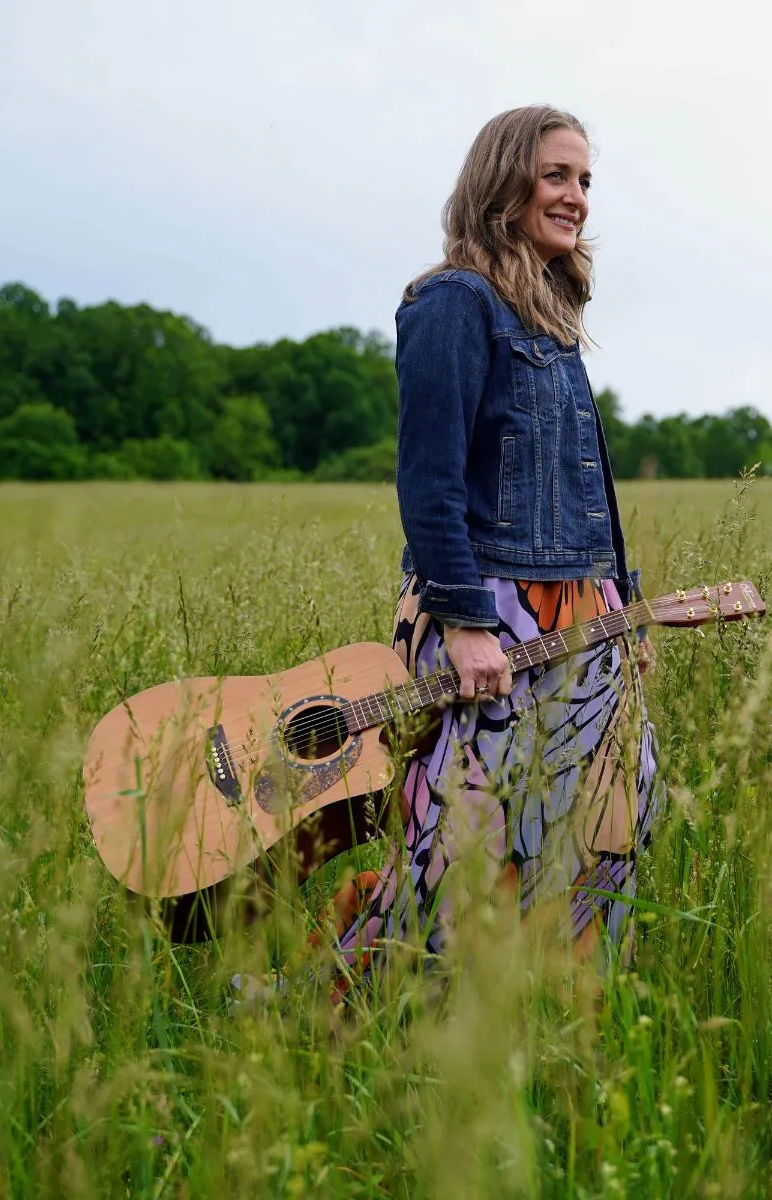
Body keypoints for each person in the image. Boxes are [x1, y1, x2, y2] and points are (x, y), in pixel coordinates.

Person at [233, 106, 665, 1010]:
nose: (577, 197)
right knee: (458, 843)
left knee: (611, 813)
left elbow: (593, 487)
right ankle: (324, 1006)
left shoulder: (550, 316)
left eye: (586, 181)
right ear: (503, 180)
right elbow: (428, 484)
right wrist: (468, 622)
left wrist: (623, 604)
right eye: (557, 175)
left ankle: (551, 1011)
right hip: (491, 612)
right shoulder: (453, 304)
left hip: (581, 612)